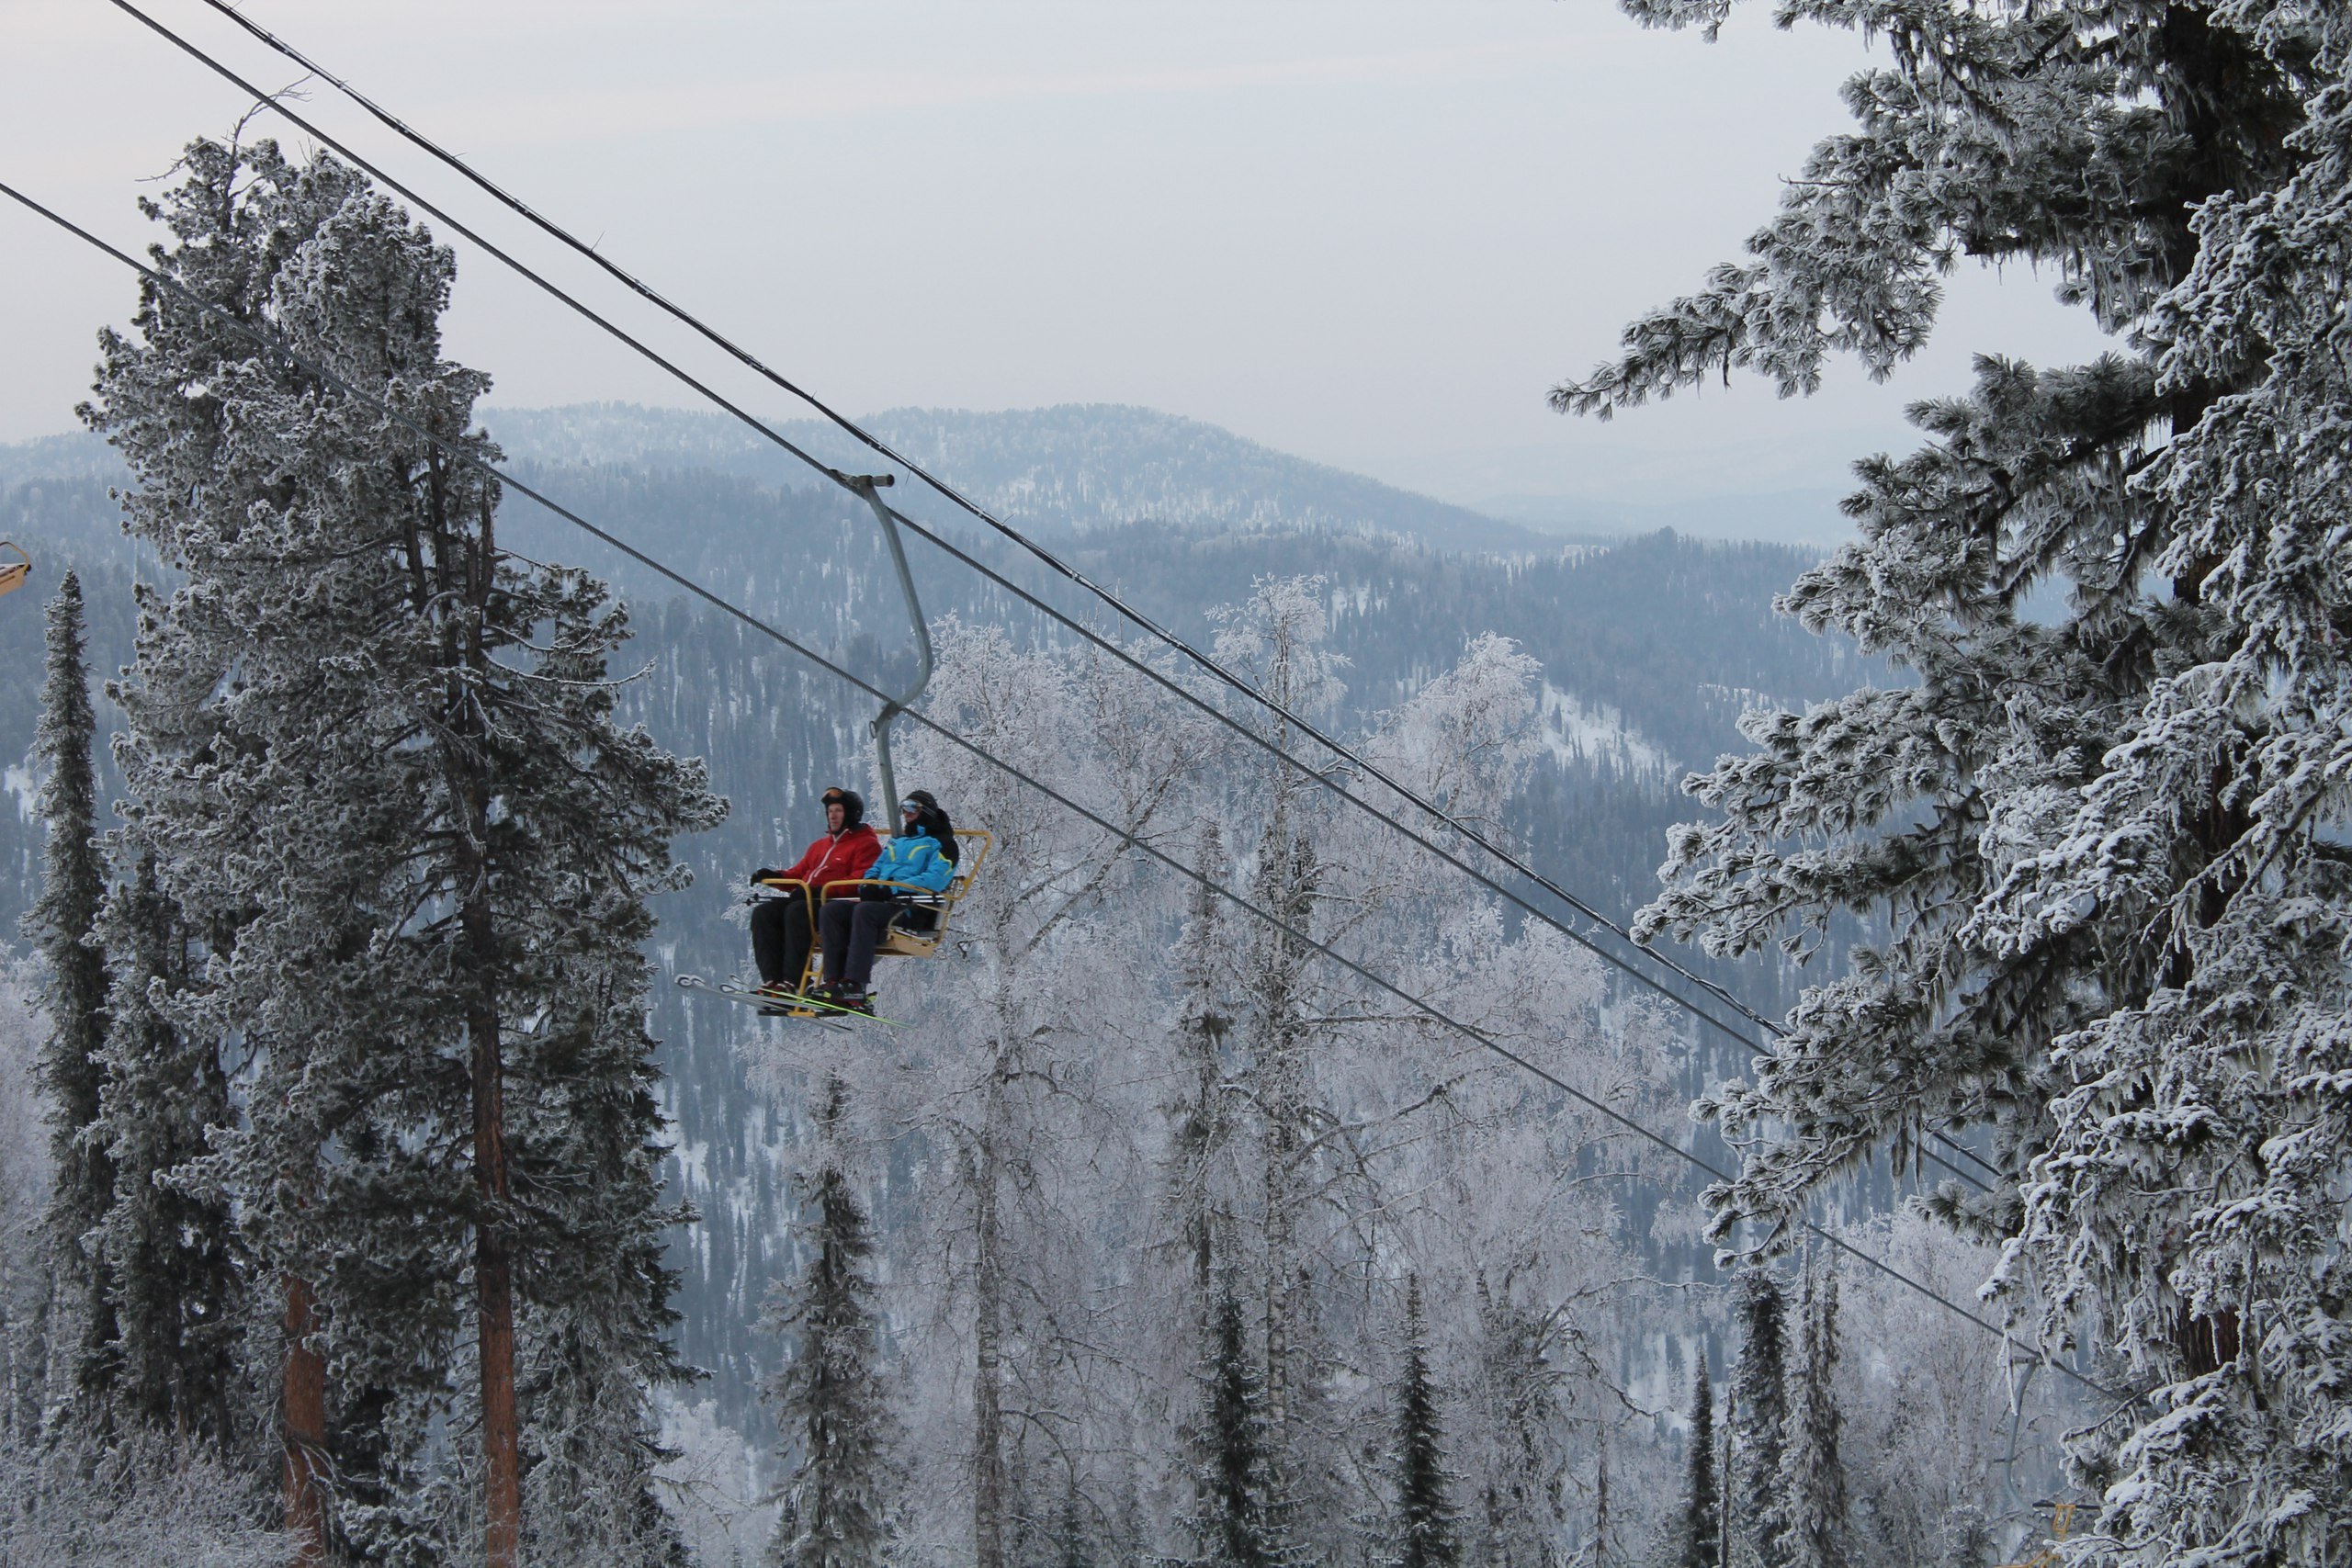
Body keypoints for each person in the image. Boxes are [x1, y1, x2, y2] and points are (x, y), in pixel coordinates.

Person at [810, 792, 958, 1014]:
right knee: (832, 911)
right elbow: (875, 869)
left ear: (926, 811)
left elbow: (934, 879)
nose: (906, 814)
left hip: (912, 908)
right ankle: (834, 980)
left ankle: (855, 984)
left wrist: (891, 888)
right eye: (904, 809)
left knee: (865, 911)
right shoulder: (898, 842)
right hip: (885, 904)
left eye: (912, 808)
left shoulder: (944, 844)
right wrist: (869, 885)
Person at [750, 785, 880, 998]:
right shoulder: (819, 846)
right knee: (764, 913)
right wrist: (774, 877)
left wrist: (819, 891)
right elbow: (799, 874)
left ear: (852, 814)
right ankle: (774, 980)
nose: (833, 816)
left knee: (798, 911)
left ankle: (795, 981)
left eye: (838, 810)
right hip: (811, 899)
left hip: (836, 904)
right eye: (830, 811)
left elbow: (860, 880)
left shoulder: (866, 844)